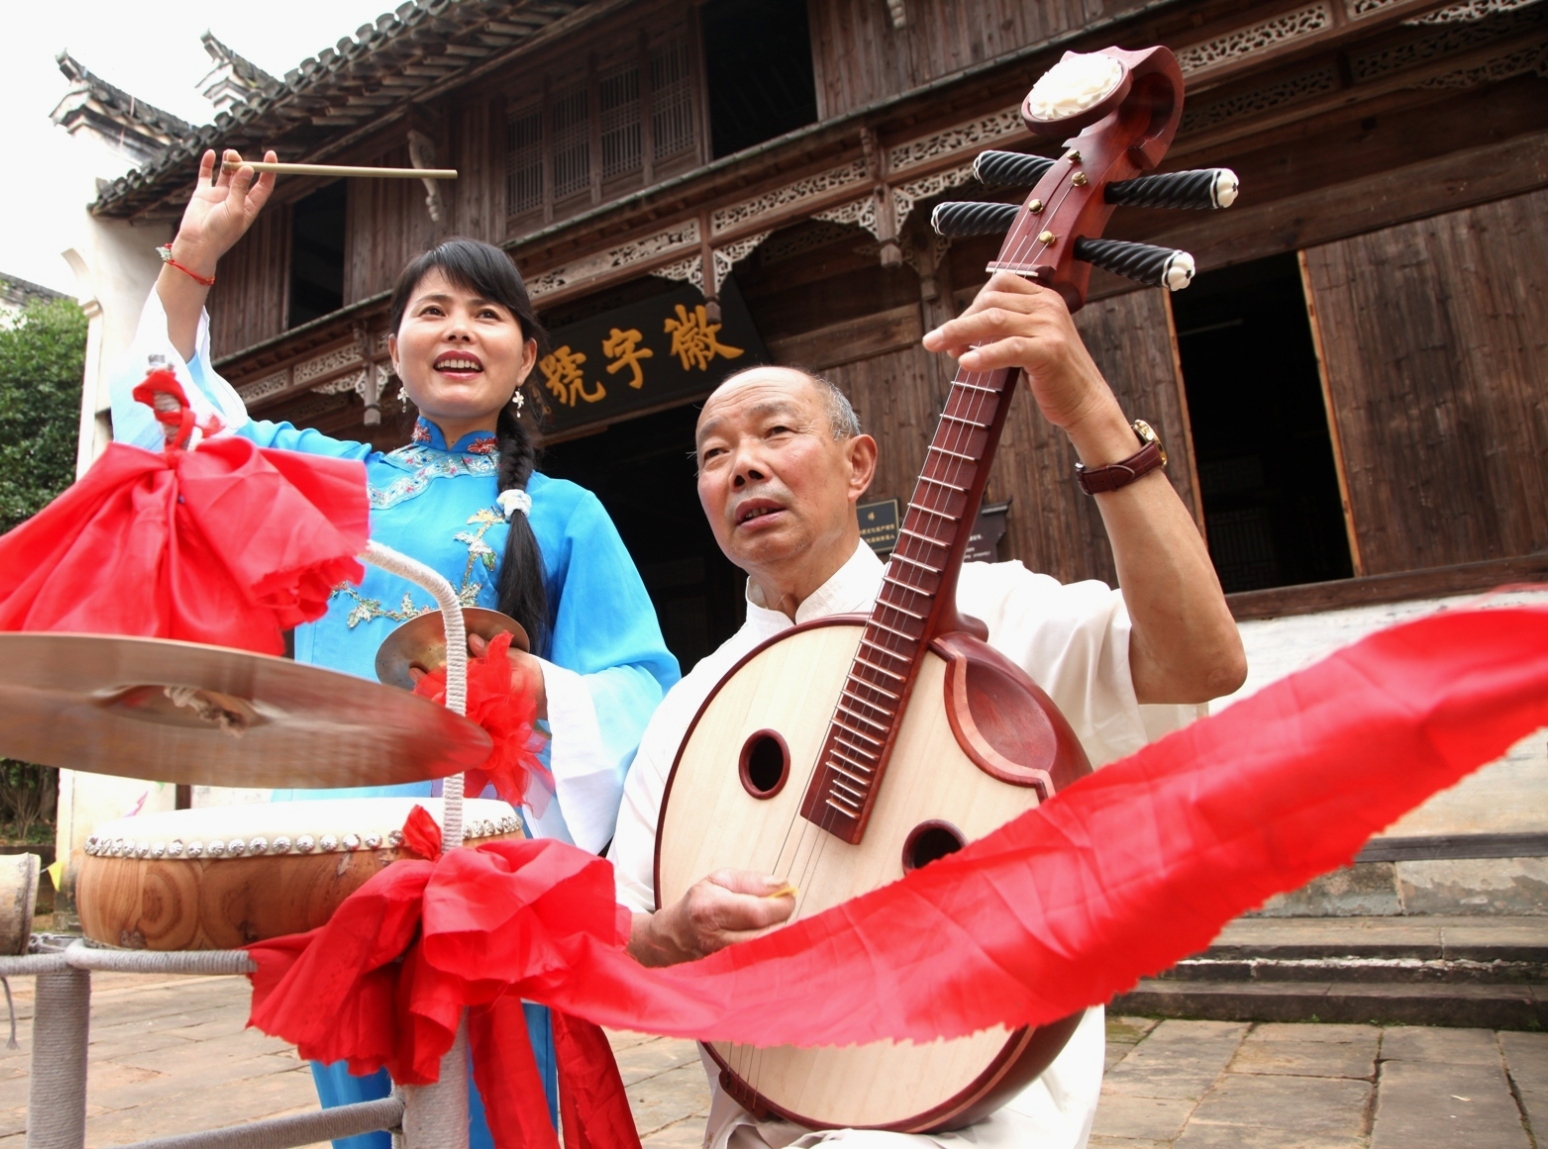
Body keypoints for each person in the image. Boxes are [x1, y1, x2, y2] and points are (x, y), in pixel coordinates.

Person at [110, 150, 681, 1149]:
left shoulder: (566, 513)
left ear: (526, 357)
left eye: (486, 314)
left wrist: (541, 686)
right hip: (330, 860)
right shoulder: (325, 478)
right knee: (365, 1120)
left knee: (495, 1114)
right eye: (433, 311)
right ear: (392, 349)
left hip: (484, 869)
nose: (458, 329)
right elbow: (174, 435)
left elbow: (642, 685)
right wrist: (193, 259)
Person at [608, 270, 1247, 1149]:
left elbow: (1200, 662)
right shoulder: (694, 706)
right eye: (714, 454)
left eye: (777, 431)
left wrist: (1092, 414)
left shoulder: (990, 619)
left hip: (973, 1110)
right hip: (758, 1117)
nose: (743, 463)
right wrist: (674, 931)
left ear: (858, 464)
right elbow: (625, 933)